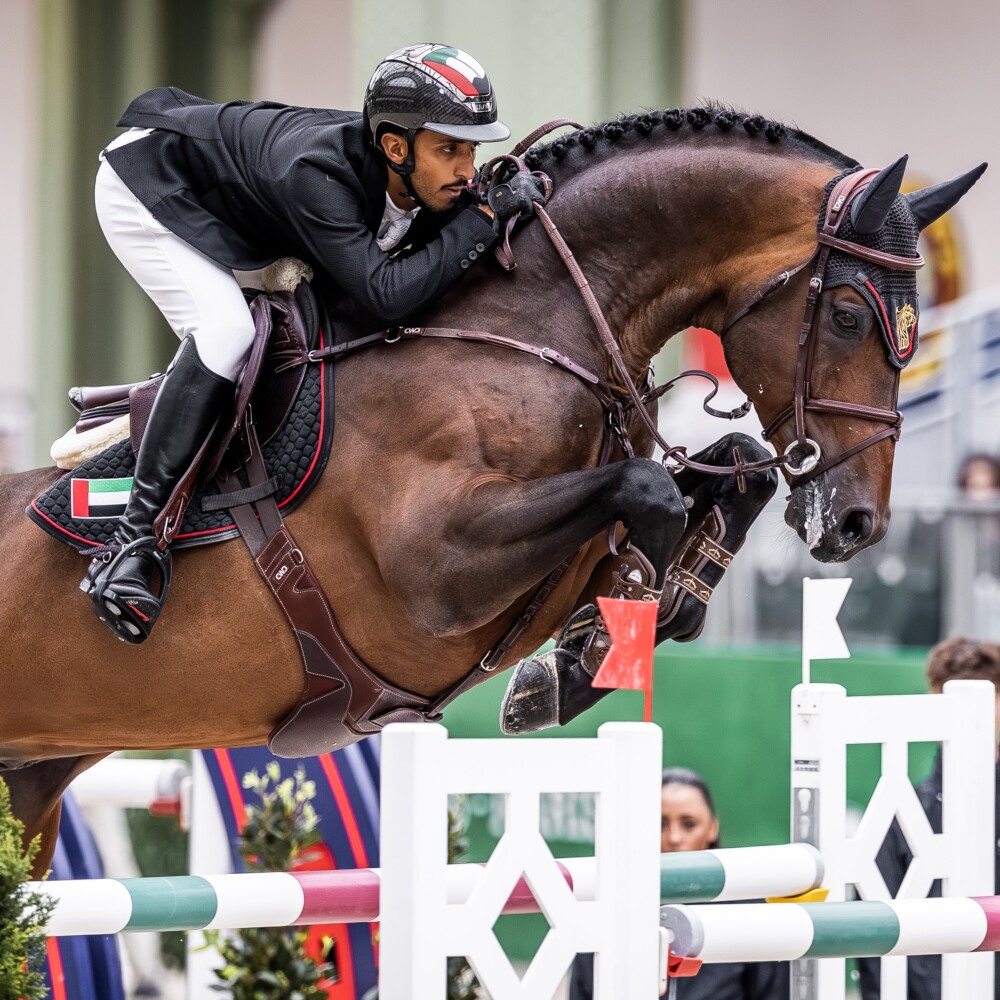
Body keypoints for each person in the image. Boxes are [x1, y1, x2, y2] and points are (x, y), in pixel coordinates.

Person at [81, 43, 546, 644]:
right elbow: (387, 296)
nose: (466, 169)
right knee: (227, 334)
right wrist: (483, 220)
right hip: (148, 187)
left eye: (472, 150)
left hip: (235, 200)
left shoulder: (407, 177)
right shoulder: (316, 176)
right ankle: (132, 542)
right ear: (395, 147)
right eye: (449, 148)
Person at [857, 637, 1000, 1000]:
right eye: (945, 699)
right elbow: (874, 929)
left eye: (988, 696)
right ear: (931, 703)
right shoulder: (900, 811)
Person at [568, 768, 789, 1000]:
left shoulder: (748, 912)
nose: (674, 837)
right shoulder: (611, 908)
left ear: (712, 827)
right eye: (660, 823)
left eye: (689, 824)